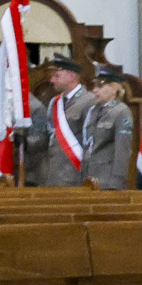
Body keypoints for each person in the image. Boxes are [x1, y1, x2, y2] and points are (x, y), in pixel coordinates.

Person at [27, 56, 93, 188]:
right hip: (52, 173)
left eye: (57, 76)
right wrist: (24, 140)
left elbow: (91, 141)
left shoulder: (89, 101)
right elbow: (48, 135)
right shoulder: (55, 102)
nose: (51, 80)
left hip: (75, 173)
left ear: (71, 76)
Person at [82, 68, 136, 189]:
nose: (95, 90)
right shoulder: (93, 111)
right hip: (89, 177)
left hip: (107, 180)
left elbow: (122, 150)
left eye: (100, 86)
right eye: (95, 85)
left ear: (114, 88)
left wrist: (117, 182)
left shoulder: (121, 112)